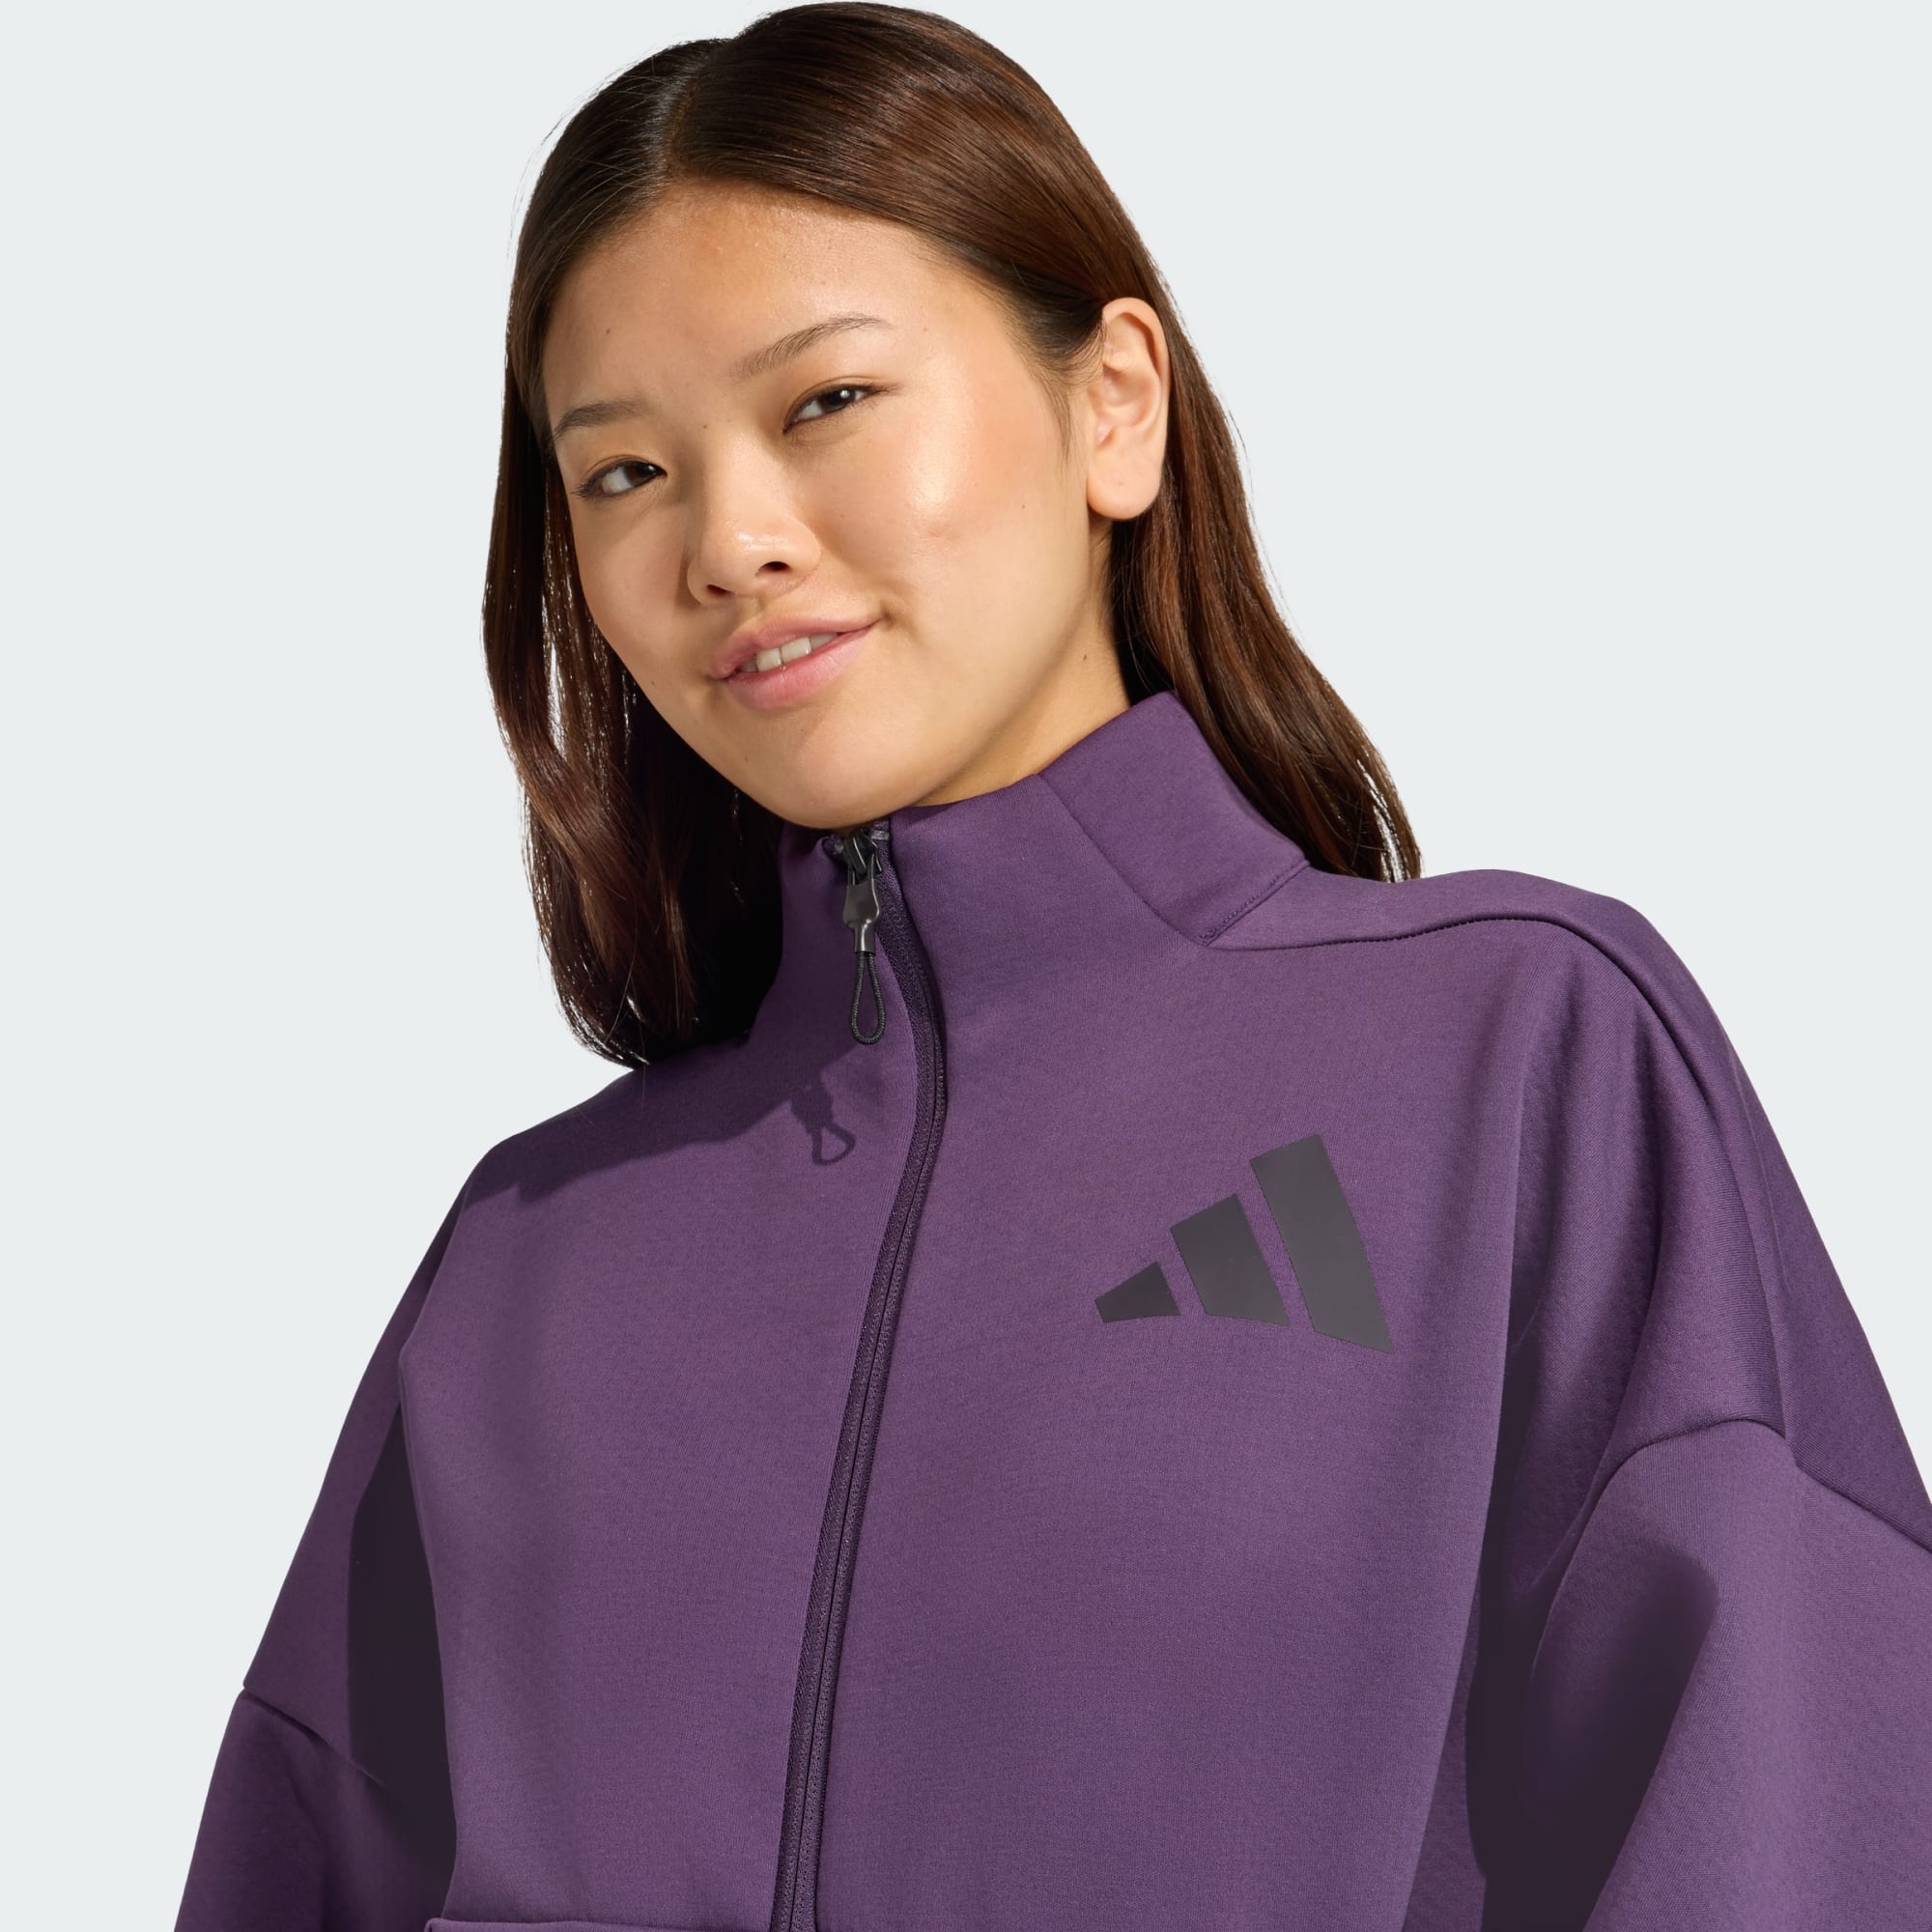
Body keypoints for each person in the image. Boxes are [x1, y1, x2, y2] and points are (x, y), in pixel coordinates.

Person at [172, 5, 1932, 1928]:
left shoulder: (1514, 1058)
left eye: (825, 402)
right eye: (622, 474)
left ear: (1114, 405)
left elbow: (1797, 1818)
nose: (729, 541)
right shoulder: (532, 1258)